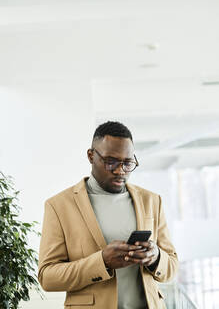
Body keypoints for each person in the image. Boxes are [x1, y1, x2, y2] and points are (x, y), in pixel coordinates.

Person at [38, 121, 178, 309]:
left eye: (128, 163)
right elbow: (47, 277)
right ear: (91, 156)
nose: (120, 171)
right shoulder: (59, 206)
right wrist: (101, 261)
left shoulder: (151, 201)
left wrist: (155, 257)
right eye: (110, 161)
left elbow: (172, 267)